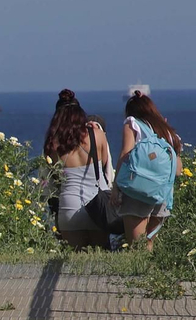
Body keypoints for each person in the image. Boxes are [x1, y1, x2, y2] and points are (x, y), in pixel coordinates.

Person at [43, 89, 114, 249]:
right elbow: (102, 166)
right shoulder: (97, 135)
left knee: (73, 266)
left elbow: (54, 179)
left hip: (70, 206)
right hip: (99, 206)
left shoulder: (52, 144)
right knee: (102, 262)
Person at [115, 91, 183, 246]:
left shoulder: (132, 123)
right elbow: (178, 170)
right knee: (149, 245)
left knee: (136, 247)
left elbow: (125, 154)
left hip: (137, 192)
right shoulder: (169, 132)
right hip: (162, 194)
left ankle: (138, 271)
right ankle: (149, 271)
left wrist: (115, 188)